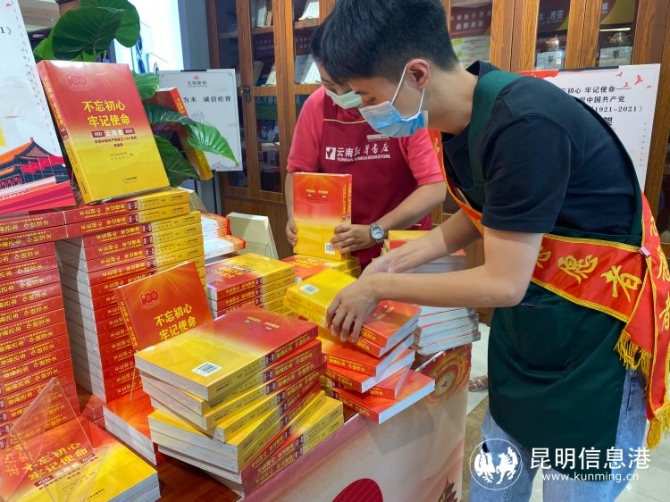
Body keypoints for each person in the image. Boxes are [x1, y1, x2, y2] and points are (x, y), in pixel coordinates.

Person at [318, 0, 670, 500]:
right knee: (497, 477)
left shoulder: (525, 123)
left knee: (573, 486)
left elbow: (503, 283)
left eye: (368, 97)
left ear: (416, 74)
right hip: (532, 326)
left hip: (595, 334)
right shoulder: (461, 118)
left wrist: (379, 286)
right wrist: (396, 258)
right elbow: (486, 212)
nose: (363, 112)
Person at [285, 22, 446, 269]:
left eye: (350, 87)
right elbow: (298, 173)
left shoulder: (398, 104)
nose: (341, 95)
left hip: (399, 247)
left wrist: (375, 231)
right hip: (340, 249)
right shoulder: (316, 106)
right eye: (329, 85)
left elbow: (433, 188)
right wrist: (295, 217)